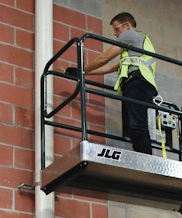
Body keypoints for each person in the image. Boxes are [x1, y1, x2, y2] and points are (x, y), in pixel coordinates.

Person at [66, 12, 157, 155]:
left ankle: (147, 160)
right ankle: (143, 157)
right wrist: (84, 73)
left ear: (127, 25)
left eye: (117, 29)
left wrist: (80, 70)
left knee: (137, 127)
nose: (115, 34)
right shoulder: (133, 50)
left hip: (137, 82)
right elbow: (109, 67)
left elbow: (104, 58)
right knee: (134, 128)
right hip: (139, 84)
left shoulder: (130, 35)